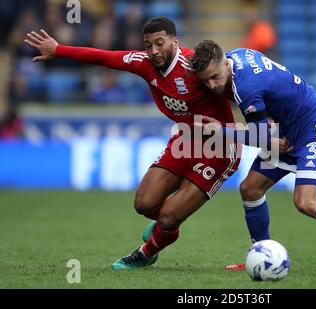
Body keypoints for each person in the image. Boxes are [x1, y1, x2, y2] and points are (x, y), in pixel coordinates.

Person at [24, 18, 241, 270]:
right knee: (144, 204)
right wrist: (59, 49)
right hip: (185, 139)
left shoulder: (194, 68)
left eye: (160, 43)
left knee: (169, 216)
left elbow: (233, 88)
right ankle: (167, 228)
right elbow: (105, 57)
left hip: (219, 147)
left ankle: (145, 253)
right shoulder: (143, 63)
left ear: (175, 41)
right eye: (148, 45)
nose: (154, 51)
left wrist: (268, 122)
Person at [191, 40, 316, 270]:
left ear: (225, 63)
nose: (212, 85)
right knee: (250, 189)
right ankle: (261, 255)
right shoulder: (237, 54)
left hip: (315, 126)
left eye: (214, 77)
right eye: (205, 80)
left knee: (306, 202)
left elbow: (260, 137)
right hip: (286, 132)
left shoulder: (246, 88)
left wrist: (220, 130)